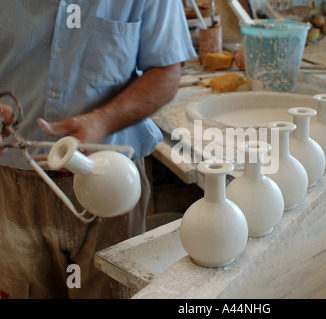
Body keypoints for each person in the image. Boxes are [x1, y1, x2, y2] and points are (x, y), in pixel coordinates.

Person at [0, 0, 196, 299]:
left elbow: (166, 71)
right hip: (14, 182)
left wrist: (102, 121)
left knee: (109, 292)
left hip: (111, 179)